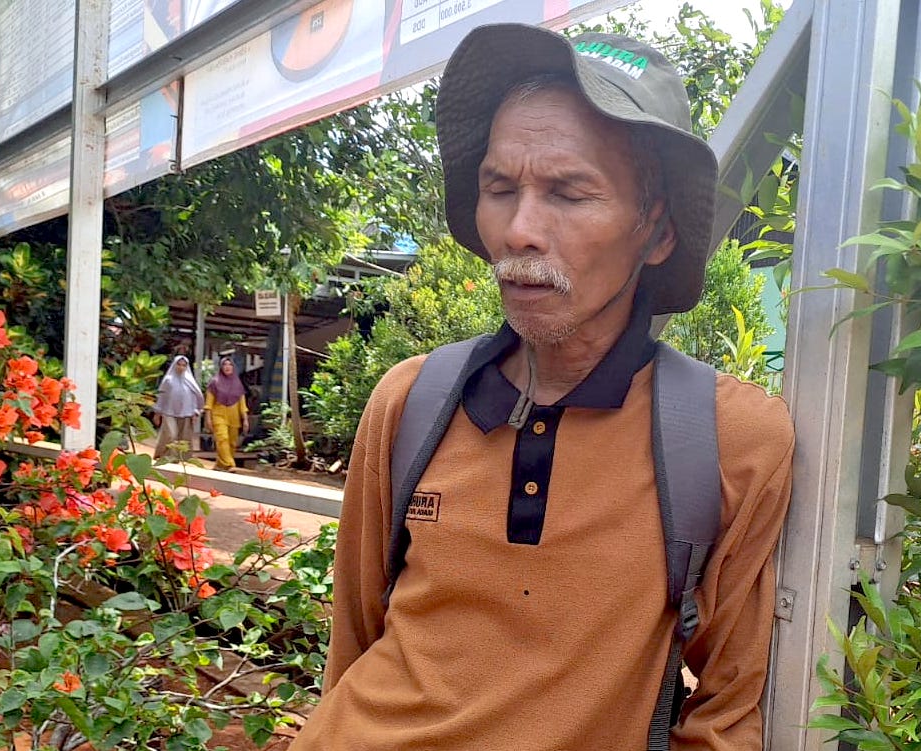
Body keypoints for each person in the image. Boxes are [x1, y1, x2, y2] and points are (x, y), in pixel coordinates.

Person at [292, 23, 794, 750]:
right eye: (499, 188)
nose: (520, 229)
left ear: (655, 231)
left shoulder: (728, 439)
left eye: (568, 191)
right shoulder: (411, 401)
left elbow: (723, 715)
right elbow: (354, 645)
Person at [152, 355, 204, 460]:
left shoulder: (190, 380)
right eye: (179, 365)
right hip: (169, 412)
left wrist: (196, 411)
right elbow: (162, 396)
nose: (181, 367)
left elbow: (197, 396)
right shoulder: (168, 380)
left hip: (186, 412)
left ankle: (180, 458)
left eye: (184, 365)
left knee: (184, 437)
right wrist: (157, 413)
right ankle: (165, 456)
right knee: (170, 434)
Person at [204, 356, 250, 470]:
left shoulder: (238, 384)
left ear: (233, 367)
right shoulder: (214, 383)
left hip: (234, 417)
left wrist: (245, 419)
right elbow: (209, 403)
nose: (227, 367)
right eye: (224, 364)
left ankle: (220, 464)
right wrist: (208, 418)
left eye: (230, 364)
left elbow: (242, 405)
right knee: (222, 438)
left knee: (232, 443)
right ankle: (230, 463)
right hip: (218, 415)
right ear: (221, 367)